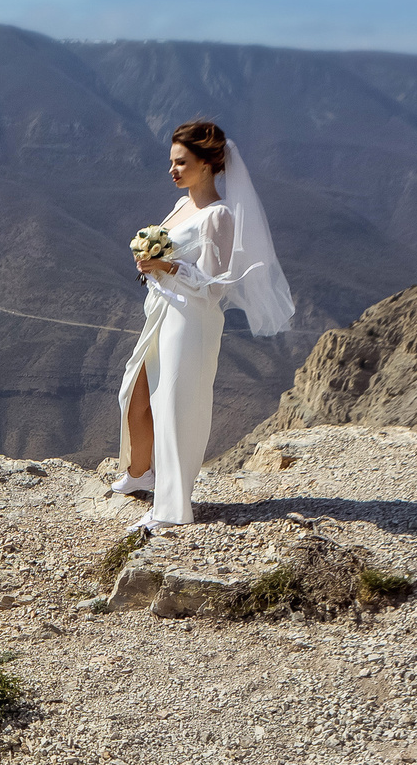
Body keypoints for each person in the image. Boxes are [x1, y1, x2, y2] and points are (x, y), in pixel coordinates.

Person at [111, 120, 294, 533]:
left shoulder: (219, 216)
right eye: (172, 162)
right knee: (135, 391)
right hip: (162, 310)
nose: (173, 170)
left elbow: (216, 285)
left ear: (208, 165)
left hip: (190, 321)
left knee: (174, 406)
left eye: (182, 162)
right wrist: (152, 267)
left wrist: (167, 266)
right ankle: (142, 472)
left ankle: (171, 509)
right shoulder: (181, 207)